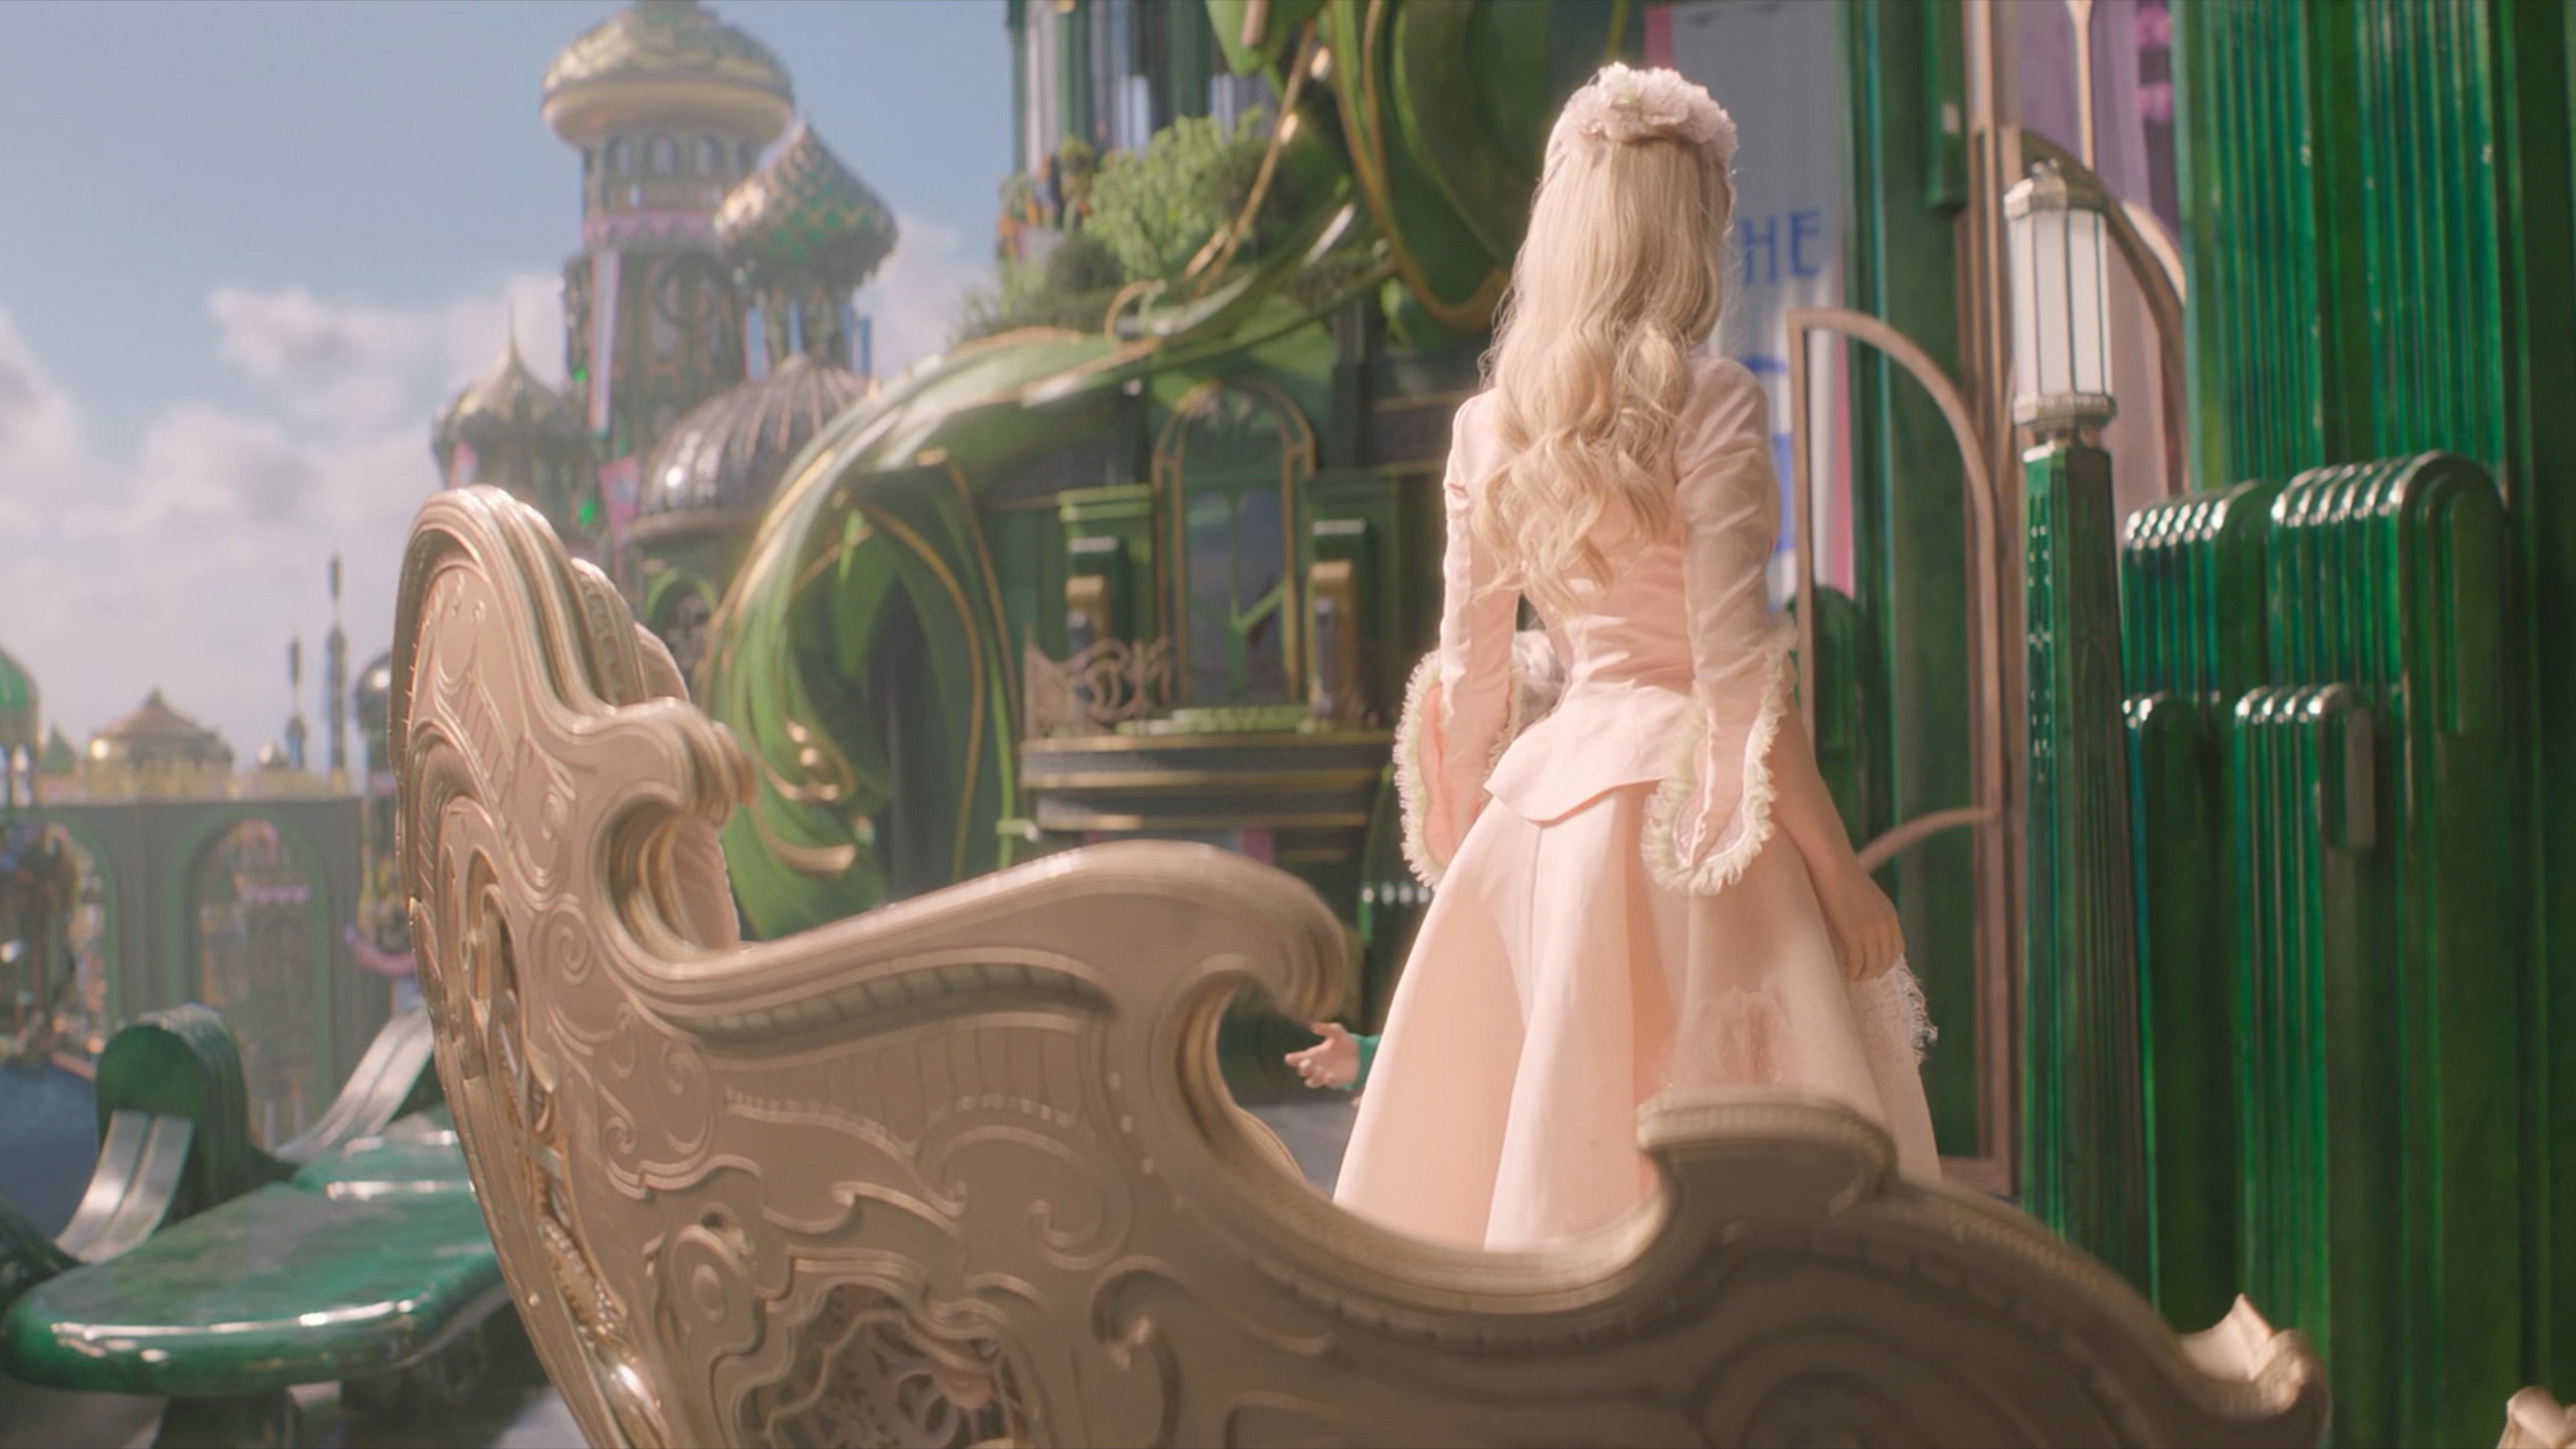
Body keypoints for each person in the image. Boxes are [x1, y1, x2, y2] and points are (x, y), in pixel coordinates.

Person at [1304, 64, 1938, 1254]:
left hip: (1544, 822)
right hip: (1688, 834)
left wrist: (1475, 848)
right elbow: (1736, 677)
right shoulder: (1714, 401)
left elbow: (1471, 684)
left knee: (1537, 1159)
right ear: (1688, 233)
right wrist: (1841, 875)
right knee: (1758, 1204)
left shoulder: (1490, 428)